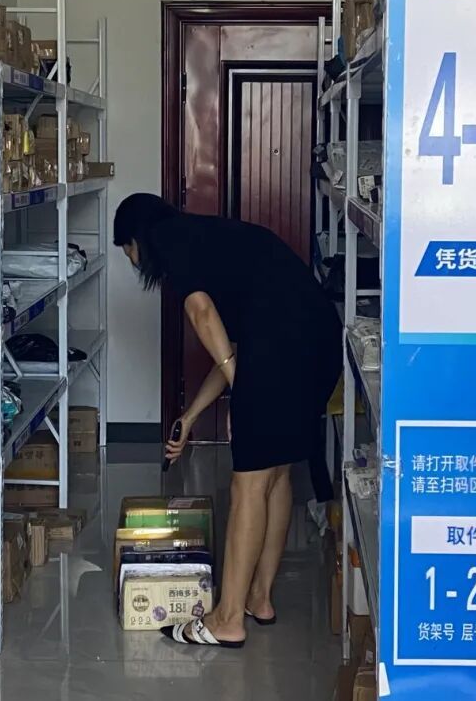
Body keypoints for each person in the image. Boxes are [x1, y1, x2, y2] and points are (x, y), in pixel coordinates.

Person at [113, 193, 341, 648]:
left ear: (137, 237)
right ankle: (259, 598)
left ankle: (227, 619)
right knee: (275, 473)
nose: (134, 262)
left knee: (248, 484)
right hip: (318, 343)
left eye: (128, 251)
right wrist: (191, 415)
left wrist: (245, 390)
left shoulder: (172, 241)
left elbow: (201, 315)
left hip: (282, 350)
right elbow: (232, 350)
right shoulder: (214, 242)